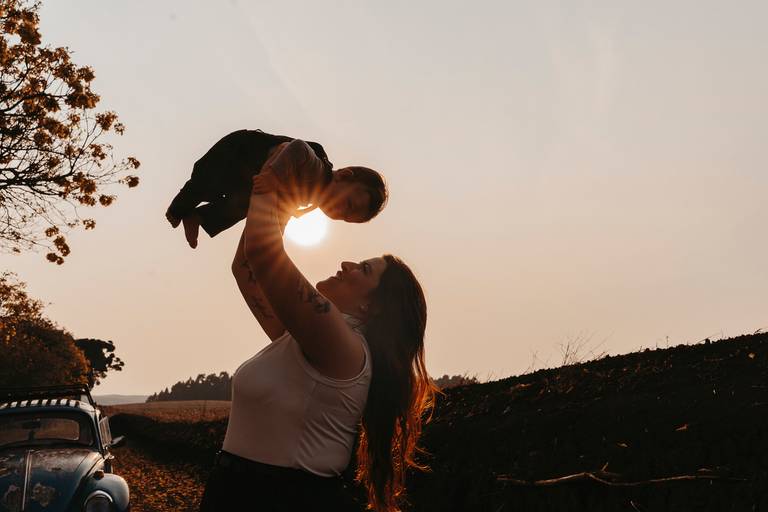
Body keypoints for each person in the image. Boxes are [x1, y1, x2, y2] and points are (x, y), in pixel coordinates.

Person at [197, 177, 439, 512]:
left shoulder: (341, 345)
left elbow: (261, 254)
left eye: (363, 269)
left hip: (281, 498)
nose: (346, 265)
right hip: (238, 491)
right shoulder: (307, 337)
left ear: (374, 306)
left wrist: (280, 178)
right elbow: (246, 268)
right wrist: (281, 201)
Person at [165, 129, 387, 248]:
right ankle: (178, 209)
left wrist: (274, 240)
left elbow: (282, 213)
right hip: (238, 153)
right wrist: (273, 176)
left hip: (246, 182)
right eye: (349, 204)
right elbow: (298, 148)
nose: (342, 212)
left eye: (347, 217)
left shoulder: (308, 201)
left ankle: (199, 217)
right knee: (203, 181)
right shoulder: (318, 171)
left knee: (245, 208)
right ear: (344, 175)